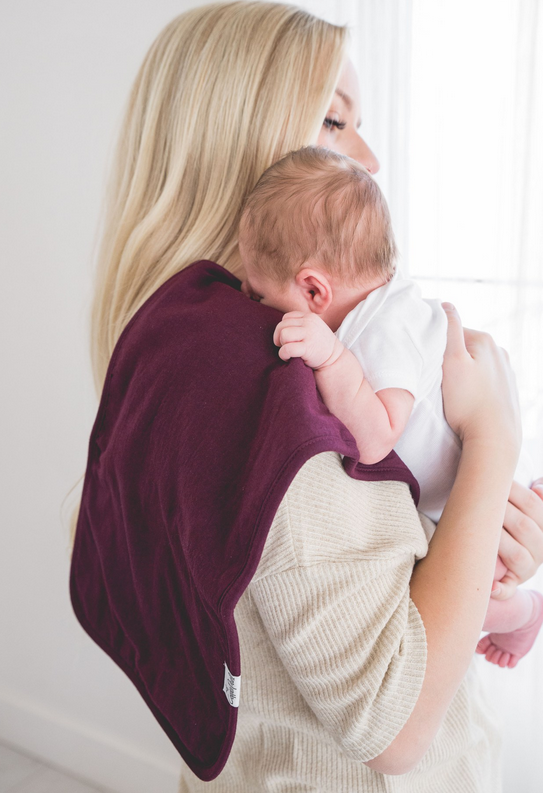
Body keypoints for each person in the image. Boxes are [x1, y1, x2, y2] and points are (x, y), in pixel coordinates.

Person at [69, 2, 543, 789]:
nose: (369, 161)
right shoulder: (272, 379)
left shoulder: (183, 344)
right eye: (333, 121)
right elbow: (393, 721)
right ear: (240, 143)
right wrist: (494, 439)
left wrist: (476, 520)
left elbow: (358, 580)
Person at [238, 144, 543, 672]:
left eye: (259, 292)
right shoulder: (379, 305)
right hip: (468, 486)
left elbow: (378, 435)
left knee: (474, 596)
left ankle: (523, 615)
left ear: (314, 289)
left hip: (477, 503)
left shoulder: (381, 330)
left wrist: (331, 357)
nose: (247, 298)